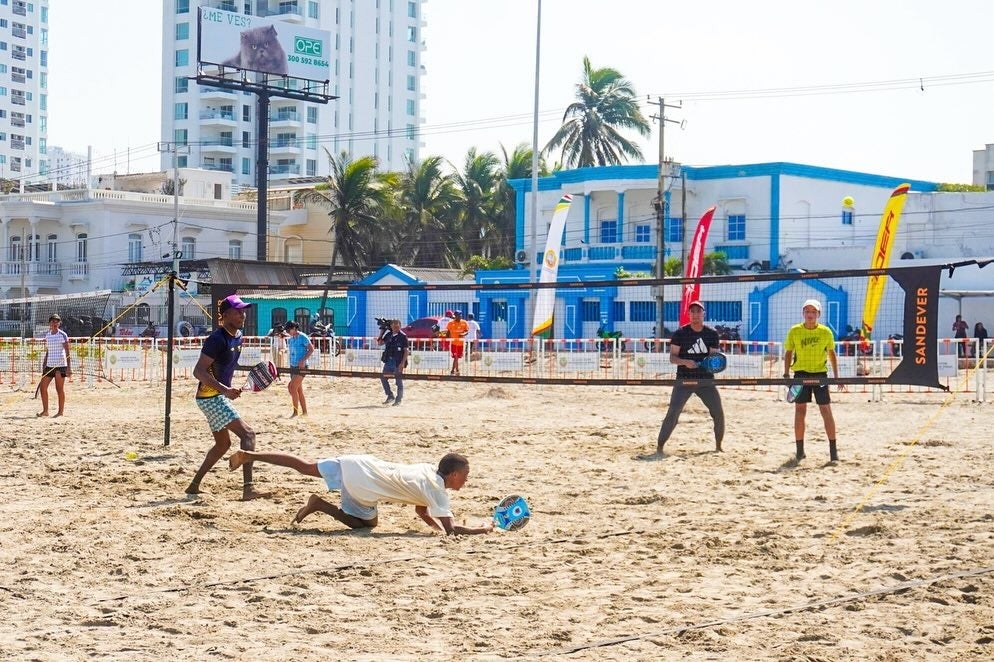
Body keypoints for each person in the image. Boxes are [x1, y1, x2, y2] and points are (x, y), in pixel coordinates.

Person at [227, 450, 493, 535]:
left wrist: (430, 525)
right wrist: (483, 529)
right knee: (367, 524)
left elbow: (420, 507)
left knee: (304, 466)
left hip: (359, 462)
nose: (466, 482)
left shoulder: (427, 471)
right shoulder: (438, 490)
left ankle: (249, 455)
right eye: (465, 477)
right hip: (364, 484)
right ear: (454, 475)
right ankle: (320, 504)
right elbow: (452, 530)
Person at [186, 294, 265, 500]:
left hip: (214, 395)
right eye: (237, 311)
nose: (242, 314)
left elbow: (223, 368)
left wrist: (229, 389)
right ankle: (248, 489)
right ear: (225, 315)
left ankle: (193, 485)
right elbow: (198, 371)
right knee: (248, 435)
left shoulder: (238, 337)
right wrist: (223, 390)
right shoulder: (216, 339)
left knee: (223, 445)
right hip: (209, 397)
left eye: (243, 311)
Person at [655, 301, 724, 455]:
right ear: (689, 314)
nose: (695, 314)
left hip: (705, 380)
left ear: (703, 313)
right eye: (692, 311)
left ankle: (718, 446)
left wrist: (705, 364)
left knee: (718, 412)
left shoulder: (711, 334)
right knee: (673, 412)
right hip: (684, 380)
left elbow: (714, 359)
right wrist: (685, 362)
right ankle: (660, 447)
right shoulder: (680, 333)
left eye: (698, 311)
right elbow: (672, 358)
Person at [784, 299, 846, 462]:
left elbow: (832, 354)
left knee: (826, 411)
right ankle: (799, 451)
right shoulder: (795, 331)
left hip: (820, 375)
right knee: (799, 411)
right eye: (807, 311)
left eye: (813, 312)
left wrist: (837, 377)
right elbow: (788, 352)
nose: (810, 314)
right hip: (800, 374)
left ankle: (833, 452)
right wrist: (785, 374)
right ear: (803, 313)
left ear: (818, 314)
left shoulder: (825, 332)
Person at [38, 313, 72, 418]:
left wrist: (69, 368)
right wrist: (44, 363)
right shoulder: (48, 335)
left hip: (60, 365)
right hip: (49, 365)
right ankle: (45, 411)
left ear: (59, 323)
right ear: (49, 323)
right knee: (43, 388)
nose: (55, 323)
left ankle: (60, 412)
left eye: (57, 321)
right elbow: (49, 350)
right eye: (53, 321)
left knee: (59, 389)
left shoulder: (62, 334)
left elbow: (67, 351)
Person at [283, 321, 314, 418]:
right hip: (293, 366)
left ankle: (295, 412)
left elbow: (311, 349)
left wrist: (303, 360)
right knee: (298, 390)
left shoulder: (303, 337)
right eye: (287, 330)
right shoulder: (291, 339)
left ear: (294, 328)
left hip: (302, 367)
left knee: (292, 387)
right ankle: (304, 412)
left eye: (289, 330)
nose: (288, 332)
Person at [377, 318, 409, 406]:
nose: (395, 326)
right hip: (389, 361)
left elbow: (406, 351)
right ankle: (390, 396)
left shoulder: (403, 336)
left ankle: (399, 399)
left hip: (398, 361)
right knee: (383, 378)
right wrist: (382, 331)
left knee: (398, 381)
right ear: (391, 326)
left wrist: (402, 363)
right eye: (393, 325)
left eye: (397, 325)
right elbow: (380, 343)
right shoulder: (389, 335)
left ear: (400, 326)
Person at [446, 310, 469, 376]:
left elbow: (467, 331)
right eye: (455, 316)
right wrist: (444, 336)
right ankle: (457, 370)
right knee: (455, 357)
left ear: (460, 316)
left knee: (457, 358)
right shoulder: (450, 323)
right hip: (453, 343)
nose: (455, 317)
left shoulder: (464, 322)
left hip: (461, 344)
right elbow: (448, 333)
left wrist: (462, 334)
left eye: (457, 316)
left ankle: (453, 371)